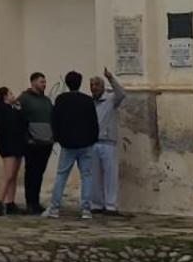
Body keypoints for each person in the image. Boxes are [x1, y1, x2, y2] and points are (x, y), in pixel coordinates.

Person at [44, 71, 99, 218]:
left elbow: (55, 120)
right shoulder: (87, 100)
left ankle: (54, 208)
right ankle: (86, 209)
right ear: (80, 83)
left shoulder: (61, 99)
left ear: (67, 83)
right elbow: (94, 122)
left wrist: (58, 138)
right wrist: (93, 139)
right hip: (86, 143)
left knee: (62, 175)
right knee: (86, 175)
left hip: (68, 144)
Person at [89, 67, 127, 215]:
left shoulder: (111, 99)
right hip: (93, 142)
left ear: (102, 86)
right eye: (91, 85)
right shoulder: (89, 102)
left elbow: (122, 93)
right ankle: (96, 203)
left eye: (96, 85)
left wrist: (111, 78)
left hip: (108, 142)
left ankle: (111, 204)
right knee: (94, 175)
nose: (93, 88)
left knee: (110, 175)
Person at [18, 71, 54, 214]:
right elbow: (19, 120)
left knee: (39, 173)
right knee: (31, 173)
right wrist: (27, 138)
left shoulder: (46, 101)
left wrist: (53, 136)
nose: (44, 84)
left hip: (46, 142)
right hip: (32, 143)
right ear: (33, 83)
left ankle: (36, 201)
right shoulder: (24, 99)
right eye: (41, 82)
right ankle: (30, 202)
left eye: (45, 82)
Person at [0, 87, 26, 214]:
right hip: (8, 145)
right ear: (5, 96)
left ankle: (10, 202)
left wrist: (19, 110)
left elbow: (21, 123)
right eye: (11, 93)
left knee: (14, 176)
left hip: (17, 144)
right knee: (8, 174)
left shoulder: (12, 109)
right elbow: (8, 125)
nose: (13, 95)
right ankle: (0, 202)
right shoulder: (1, 109)